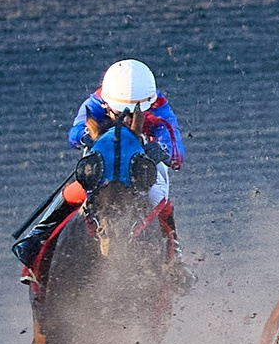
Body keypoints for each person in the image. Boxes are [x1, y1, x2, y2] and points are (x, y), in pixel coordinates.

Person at [13, 61, 188, 278]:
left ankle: (175, 260)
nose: (127, 117)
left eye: (135, 113)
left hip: (140, 167)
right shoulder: (96, 101)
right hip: (104, 164)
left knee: (157, 197)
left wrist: (160, 149)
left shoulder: (160, 109)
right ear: (107, 103)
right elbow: (75, 132)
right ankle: (37, 239)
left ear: (148, 106)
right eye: (118, 111)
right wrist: (87, 136)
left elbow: (176, 149)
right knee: (76, 190)